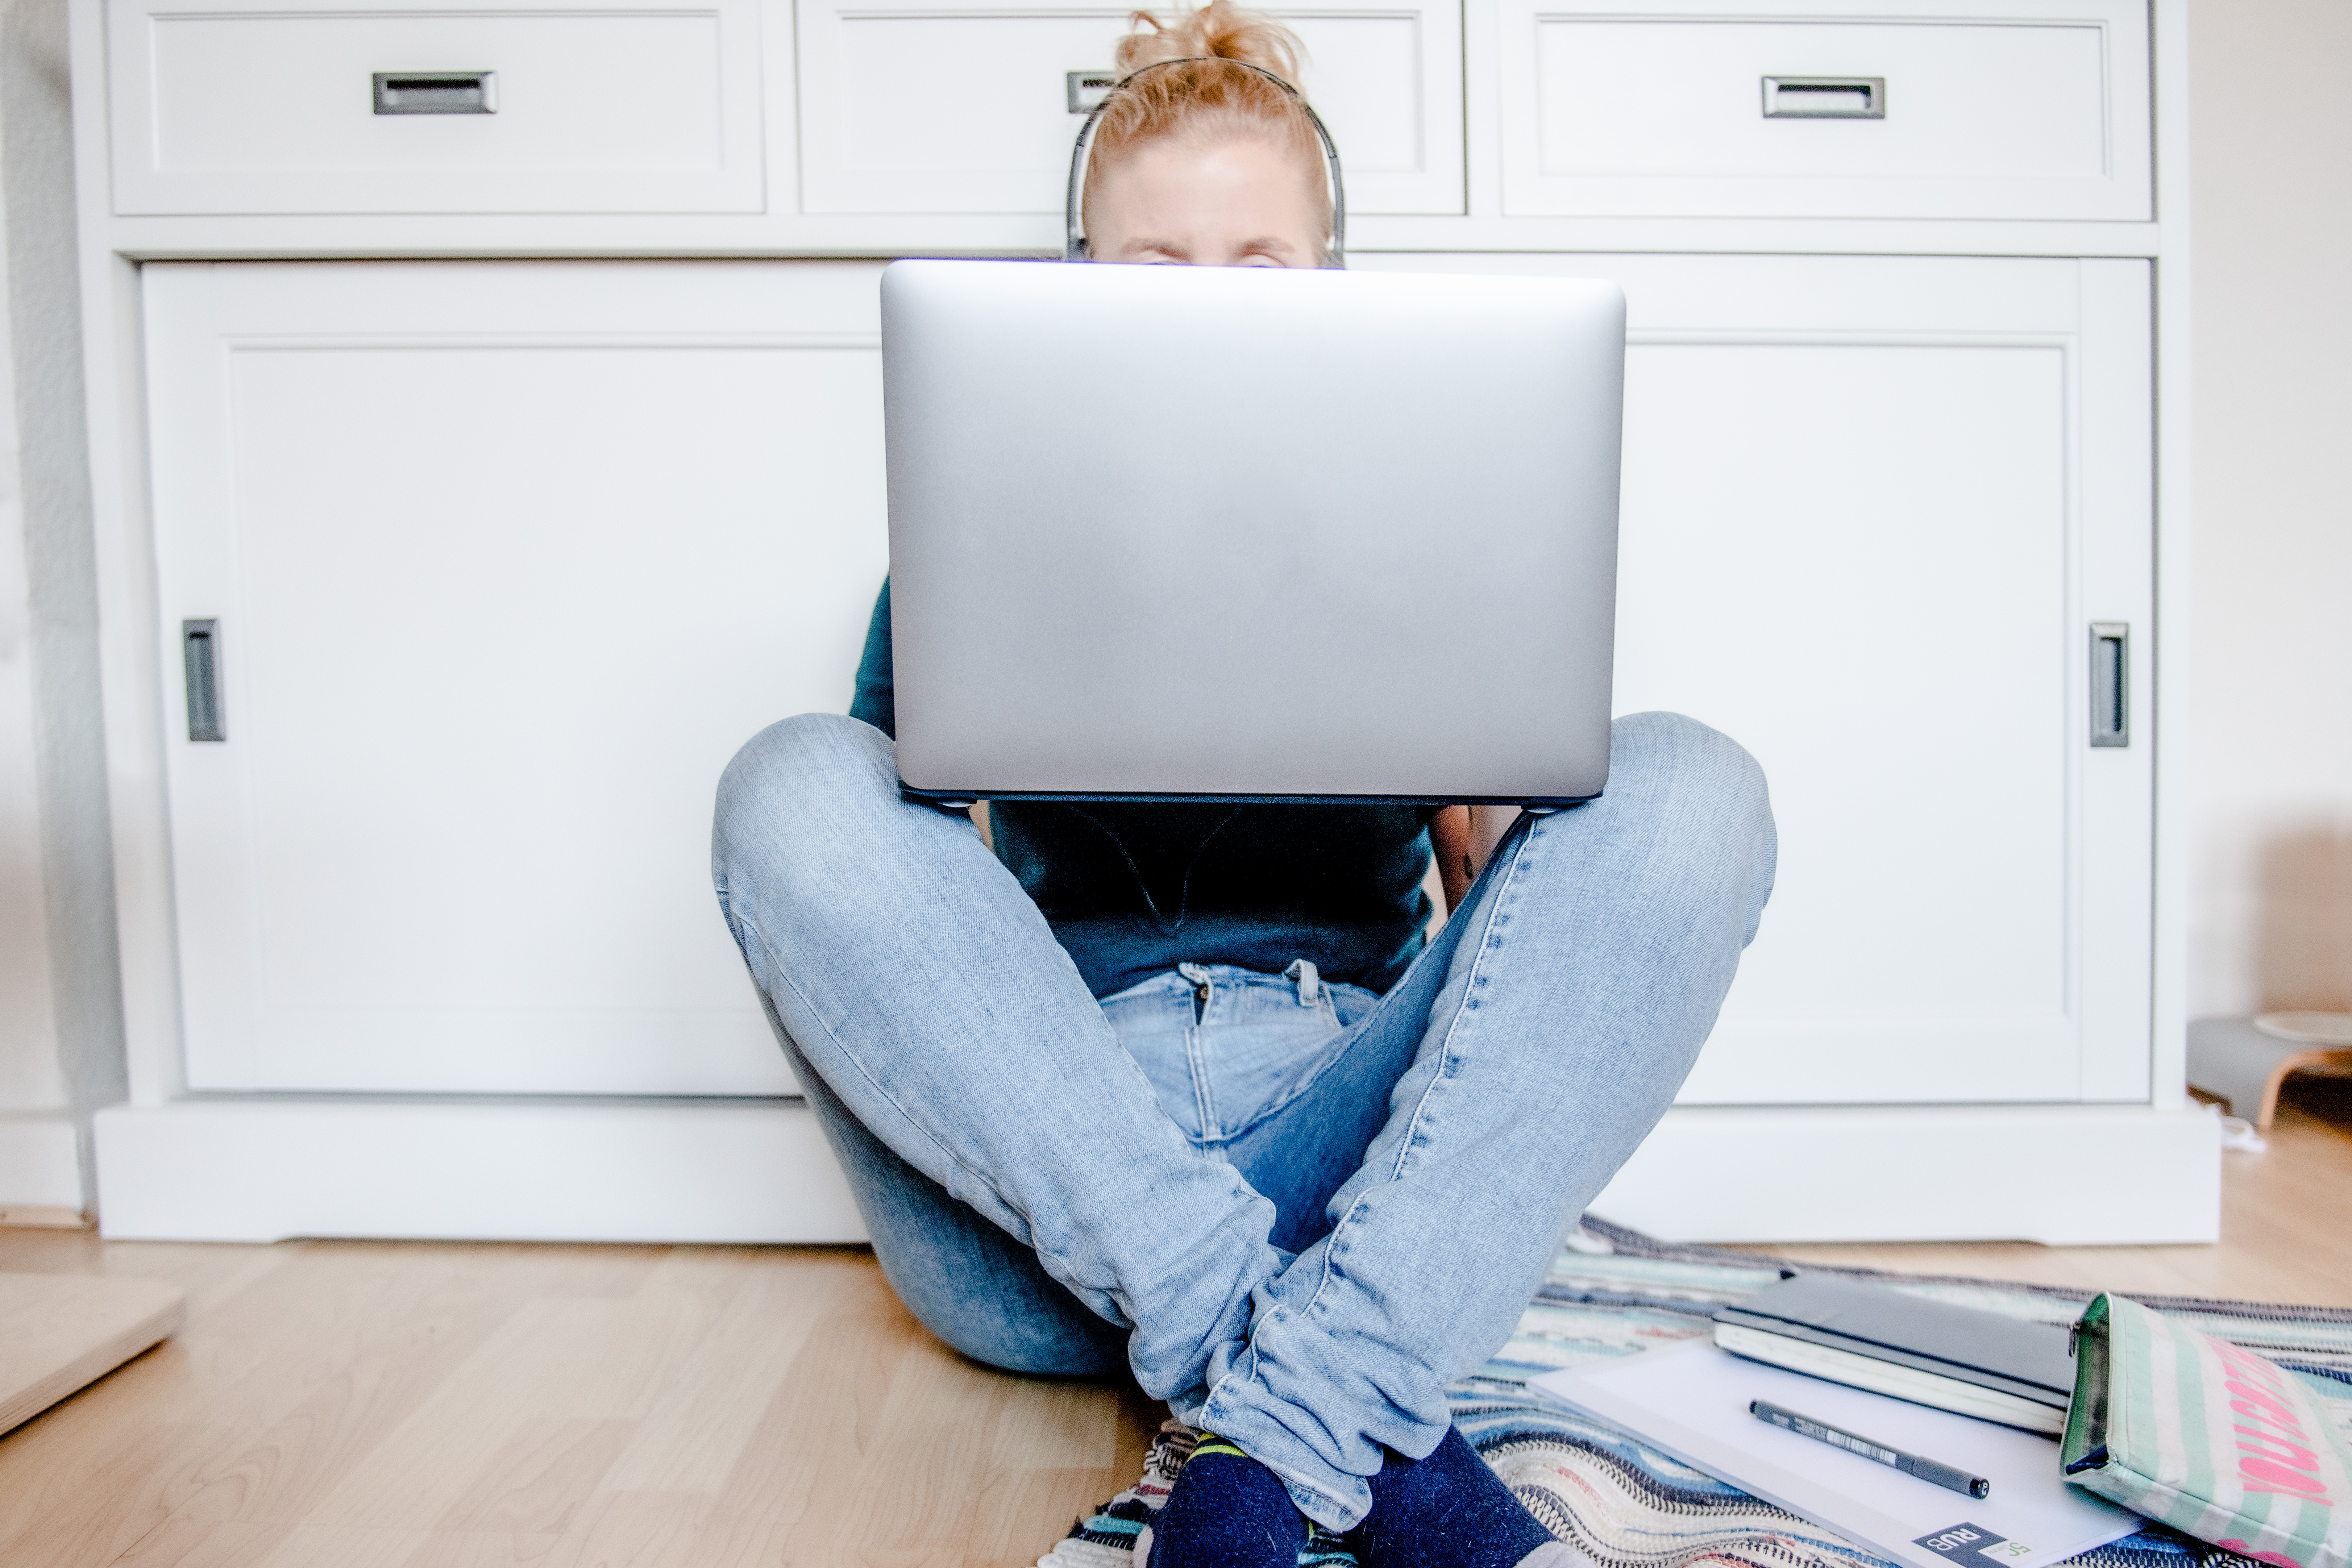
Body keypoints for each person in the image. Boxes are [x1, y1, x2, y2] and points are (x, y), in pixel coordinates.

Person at [710, 5, 1778, 1563]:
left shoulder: (1432, 535)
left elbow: (1520, 930)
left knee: (1694, 787)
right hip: (1049, 1208)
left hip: (1354, 1166)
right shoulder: (971, 527)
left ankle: (1276, 1417)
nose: (1206, 310)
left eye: (1257, 264)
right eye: (1154, 270)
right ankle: (1348, 1401)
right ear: (1076, 289)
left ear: (1331, 288)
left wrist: (1472, 673)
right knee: (790, 781)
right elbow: (890, 906)